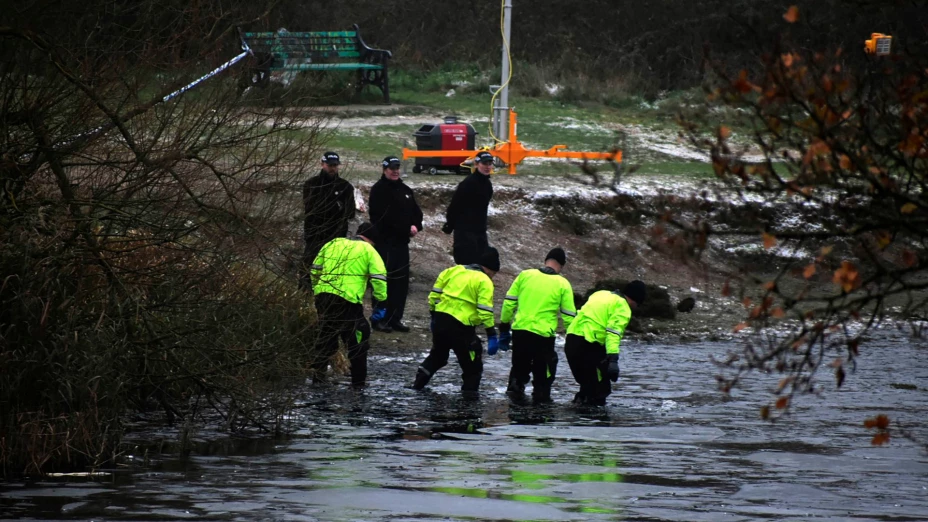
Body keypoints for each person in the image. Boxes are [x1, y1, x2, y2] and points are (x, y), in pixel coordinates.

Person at [412, 247, 501, 396]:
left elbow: (433, 296)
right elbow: (485, 310)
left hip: (440, 321)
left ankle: (416, 387)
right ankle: (468, 405)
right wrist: (491, 333)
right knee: (472, 366)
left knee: (437, 357)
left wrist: (434, 316)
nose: (493, 277)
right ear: (490, 269)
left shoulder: (453, 270)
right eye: (494, 274)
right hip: (462, 328)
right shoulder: (484, 280)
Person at [310, 222, 387, 385]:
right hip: (347, 300)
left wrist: (317, 288)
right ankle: (358, 384)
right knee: (359, 337)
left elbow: (315, 268)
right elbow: (379, 279)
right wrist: (380, 300)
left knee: (326, 336)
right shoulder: (369, 250)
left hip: (323, 296)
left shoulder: (333, 243)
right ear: (372, 240)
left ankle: (317, 379)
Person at [499, 247, 577, 403]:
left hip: (520, 330)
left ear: (545, 260)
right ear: (561, 266)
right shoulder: (562, 283)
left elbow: (509, 303)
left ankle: (514, 410)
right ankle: (540, 412)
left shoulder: (525, 275)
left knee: (519, 371)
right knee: (543, 377)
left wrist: (504, 326)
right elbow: (569, 316)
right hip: (543, 336)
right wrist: (573, 336)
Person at [564, 280, 647, 406]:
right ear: (635, 300)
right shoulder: (623, 307)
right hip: (588, 345)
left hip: (571, 342)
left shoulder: (600, 294)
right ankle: (595, 422)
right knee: (600, 390)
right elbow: (613, 333)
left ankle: (577, 416)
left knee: (587, 386)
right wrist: (613, 360)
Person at [367, 155, 424, 333]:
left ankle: (395, 318)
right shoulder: (379, 190)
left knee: (401, 283)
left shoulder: (405, 190)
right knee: (383, 282)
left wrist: (415, 225)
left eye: (397, 168)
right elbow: (381, 218)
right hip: (385, 243)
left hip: (401, 244)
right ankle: (379, 319)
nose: (395, 171)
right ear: (384, 170)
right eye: (392, 168)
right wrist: (405, 228)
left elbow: (417, 213)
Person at [301, 151, 356, 290]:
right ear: (322, 164)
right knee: (308, 271)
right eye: (330, 165)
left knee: (333, 273)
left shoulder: (345, 187)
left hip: (336, 238)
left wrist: (336, 209)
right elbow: (313, 209)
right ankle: (303, 301)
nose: (333, 168)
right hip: (315, 236)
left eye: (335, 165)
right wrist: (336, 206)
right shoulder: (311, 184)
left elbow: (350, 212)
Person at [441, 150, 494, 265]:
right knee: (466, 263)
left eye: (490, 164)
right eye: (484, 164)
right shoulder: (468, 183)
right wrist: (450, 224)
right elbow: (455, 205)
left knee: (481, 263)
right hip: (465, 230)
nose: (487, 167)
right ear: (476, 164)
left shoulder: (487, 184)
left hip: (480, 231)